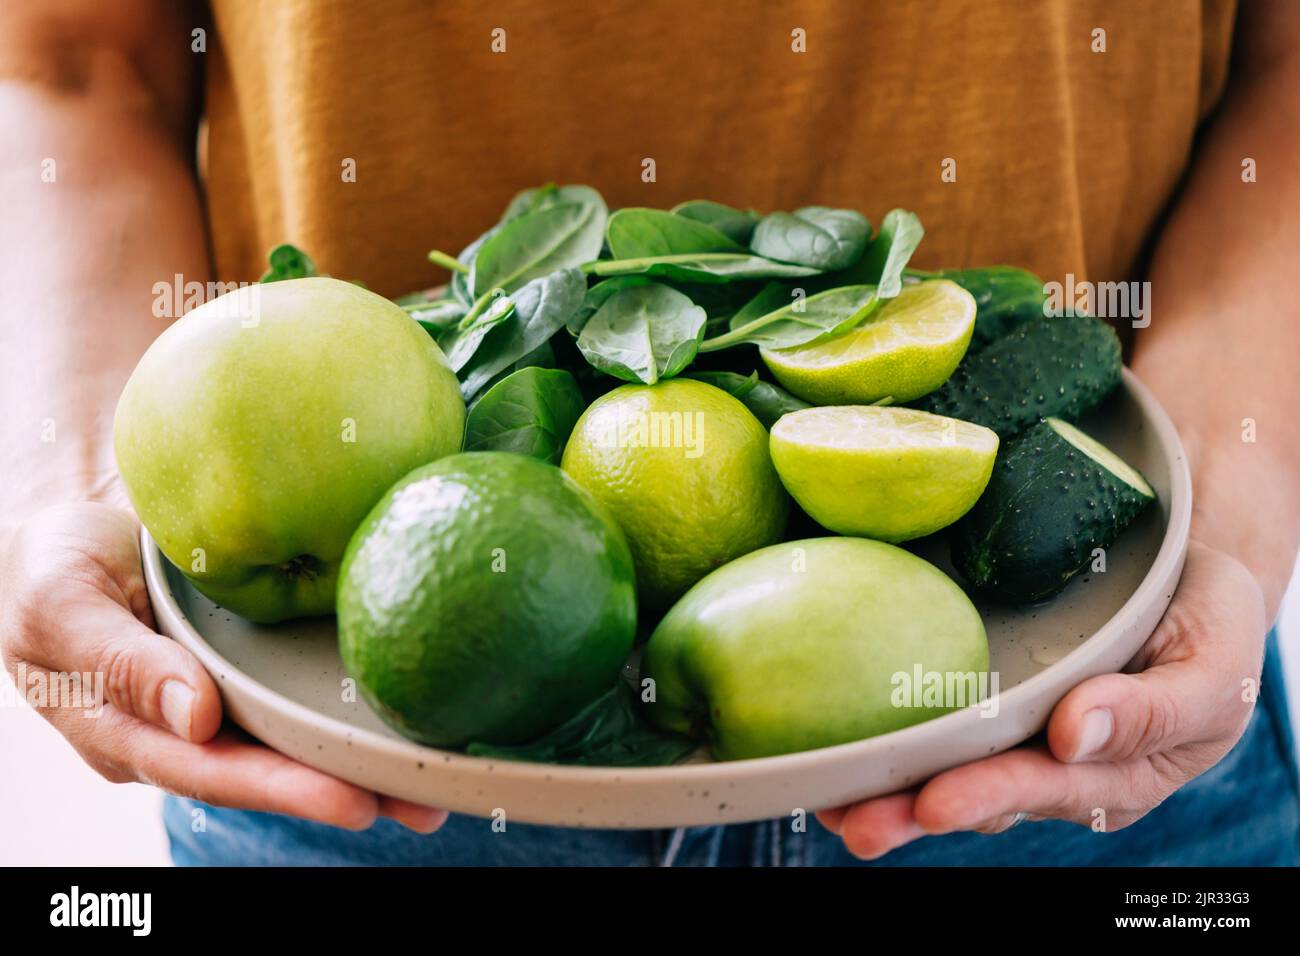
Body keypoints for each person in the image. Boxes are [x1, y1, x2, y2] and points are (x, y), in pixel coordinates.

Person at [1, 0, 1296, 866]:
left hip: (1089, 707)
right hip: (362, 747)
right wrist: (89, 488)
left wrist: (1229, 506)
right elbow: (70, 62)